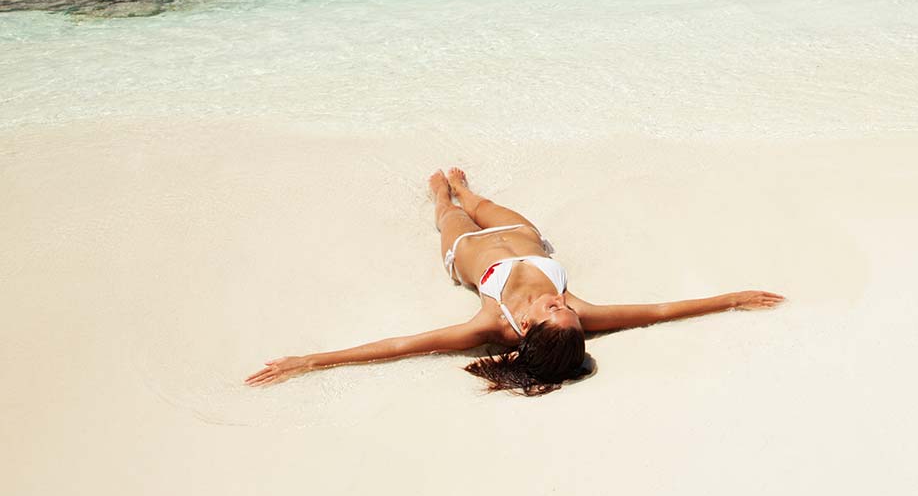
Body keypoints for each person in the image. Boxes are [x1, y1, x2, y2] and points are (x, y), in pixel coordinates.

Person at [245, 169, 785, 395]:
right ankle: (465, 189)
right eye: (564, 308)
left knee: (447, 209)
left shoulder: (490, 323)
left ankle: (443, 196)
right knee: (476, 198)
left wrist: (310, 360)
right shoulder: (576, 315)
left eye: (555, 310)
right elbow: (661, 310)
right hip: (523, 232)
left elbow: (401, 345)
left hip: (464, 250)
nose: (560, 301)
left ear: (525, 327)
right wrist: (732, 298)